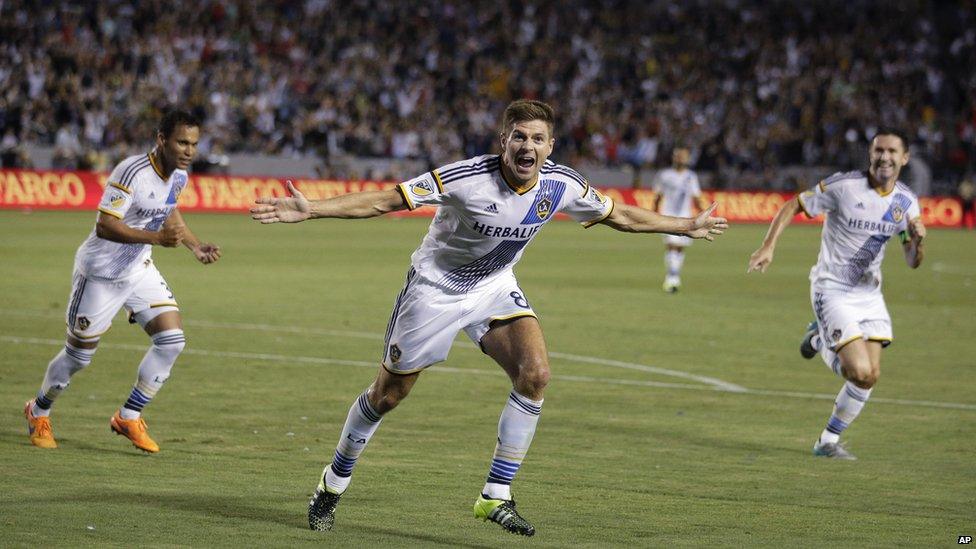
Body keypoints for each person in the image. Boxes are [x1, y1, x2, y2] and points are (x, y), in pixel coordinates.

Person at [251, 99, 728, 535]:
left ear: (550, 146)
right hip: (434, 292)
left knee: (536, 374)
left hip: (494, 287)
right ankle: (333, 482)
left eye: (538, 138)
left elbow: (620, 216)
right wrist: (311, 209)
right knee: (387, 395)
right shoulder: (465, 178)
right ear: (503, 141)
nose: (528, 146)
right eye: (519, 136)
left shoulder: (560, 185)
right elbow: (388, 200)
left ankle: (494, 494)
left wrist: (688, 225)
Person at [23, 109, 221, 453]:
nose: (189, 150)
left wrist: (194, 245)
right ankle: (38, 410)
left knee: (172, 341)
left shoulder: (178, 176)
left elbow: (168, 209)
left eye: (194, 144)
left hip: (138, 269)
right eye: (182, 142)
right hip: (100, 274)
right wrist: (156, 240)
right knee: (78, 358)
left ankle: (128, 416)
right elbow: (105, 225)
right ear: (161, 140)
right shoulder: (131, 172)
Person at [747, 128, 925, 460]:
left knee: (869, 377)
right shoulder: (843, 187)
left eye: (892, 152)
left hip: (870, 295)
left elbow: (912, 260)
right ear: (870, 155)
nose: (885, 157)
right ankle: (819, 341)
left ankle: (827, 441)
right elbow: (792, 205)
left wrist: (917, 240)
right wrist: (768, 246)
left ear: (905, 158)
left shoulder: (906, 202)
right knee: (857, 370)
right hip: (832, 289)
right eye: (879, 150)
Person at [652, 146, 709, 292]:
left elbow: (696, 198)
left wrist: (705, 215)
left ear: (688, 159)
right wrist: (653, 215)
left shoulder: (691, 176)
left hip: (686, 216)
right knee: (671, 245)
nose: (680, 158)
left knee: (680, 248)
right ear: (673, 158)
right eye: (677, 156)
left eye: (683, 156)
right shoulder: (665, 175)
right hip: (668, 215)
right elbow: (658, 196)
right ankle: (672, 277)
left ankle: (674, 275)